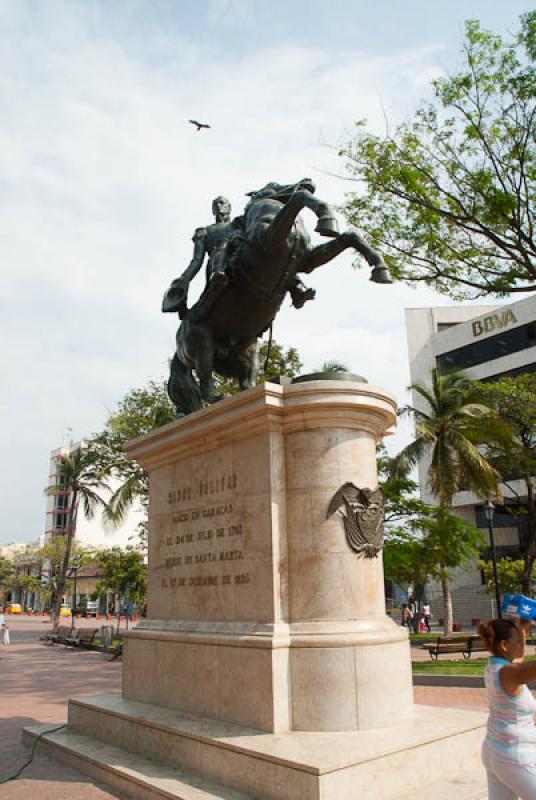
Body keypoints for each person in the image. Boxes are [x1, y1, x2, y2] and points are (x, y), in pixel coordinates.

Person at [162, 196, 315, 321]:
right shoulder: (205, 231)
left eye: (222, 203)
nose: (219, 206)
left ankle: (296, 287)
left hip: (241, 258)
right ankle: (218, 278)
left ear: (229, 207)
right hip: (218, 262)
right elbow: (196, 261)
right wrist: (184, 280)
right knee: (222, 246)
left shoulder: (240, 223)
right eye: (215, 204)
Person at [478, 617, 536, 798]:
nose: (522, 646)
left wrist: (522, 631)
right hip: (514, 758)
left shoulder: (495, 666)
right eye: (518, 642)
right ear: (504, 645)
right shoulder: (508, 673)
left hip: (495, 750)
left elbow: (519, 660)